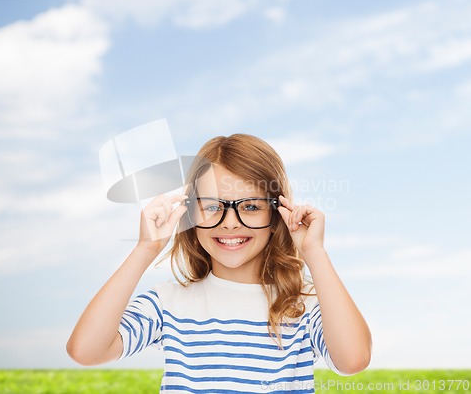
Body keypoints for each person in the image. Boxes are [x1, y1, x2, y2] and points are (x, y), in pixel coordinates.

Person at [67, 134, 372, 393]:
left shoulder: (302, 305)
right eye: (212, 206)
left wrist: (314, 253)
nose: (229, 223)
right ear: (190, 215)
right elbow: (86, 351)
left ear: (276, 213)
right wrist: (145, 249)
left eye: (250, 206)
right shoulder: (168, 303)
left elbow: (353, 359)